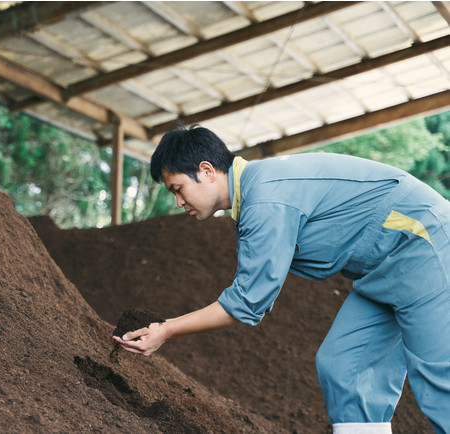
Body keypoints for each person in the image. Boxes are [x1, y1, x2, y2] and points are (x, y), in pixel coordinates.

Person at [113, 125, 450, 434]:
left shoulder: (266, 197)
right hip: (384, 269)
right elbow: (255, 291)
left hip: (424, 242)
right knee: (345, 366)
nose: (178, 201)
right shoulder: (256, 196)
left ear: (206, 171)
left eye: (179, 188)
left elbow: (247, 303)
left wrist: (166, 329)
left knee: (437, 376)